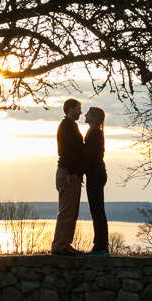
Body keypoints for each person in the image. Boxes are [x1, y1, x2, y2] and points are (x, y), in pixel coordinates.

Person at [52, 98, 84, 256]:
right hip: (67, 173)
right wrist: (71, 172)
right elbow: (65, 151)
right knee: (66, 211)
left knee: (72, 211)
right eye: (79, 109)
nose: (80, 112)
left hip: (71, 173)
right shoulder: (66, 126)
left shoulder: (71, 126)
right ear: (71, 109)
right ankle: (59, 245)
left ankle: (65, 243)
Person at [80, 106, 109, 256]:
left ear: (93, 117)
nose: (85, 115)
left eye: (88, 113)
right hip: (97, 174)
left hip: (95, 175)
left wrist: (77, 172)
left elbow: (89, 156)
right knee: (98, 211)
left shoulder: (95, 134)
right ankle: (101, 245)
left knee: (96, 211)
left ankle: (100, 247)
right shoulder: (95, 132)